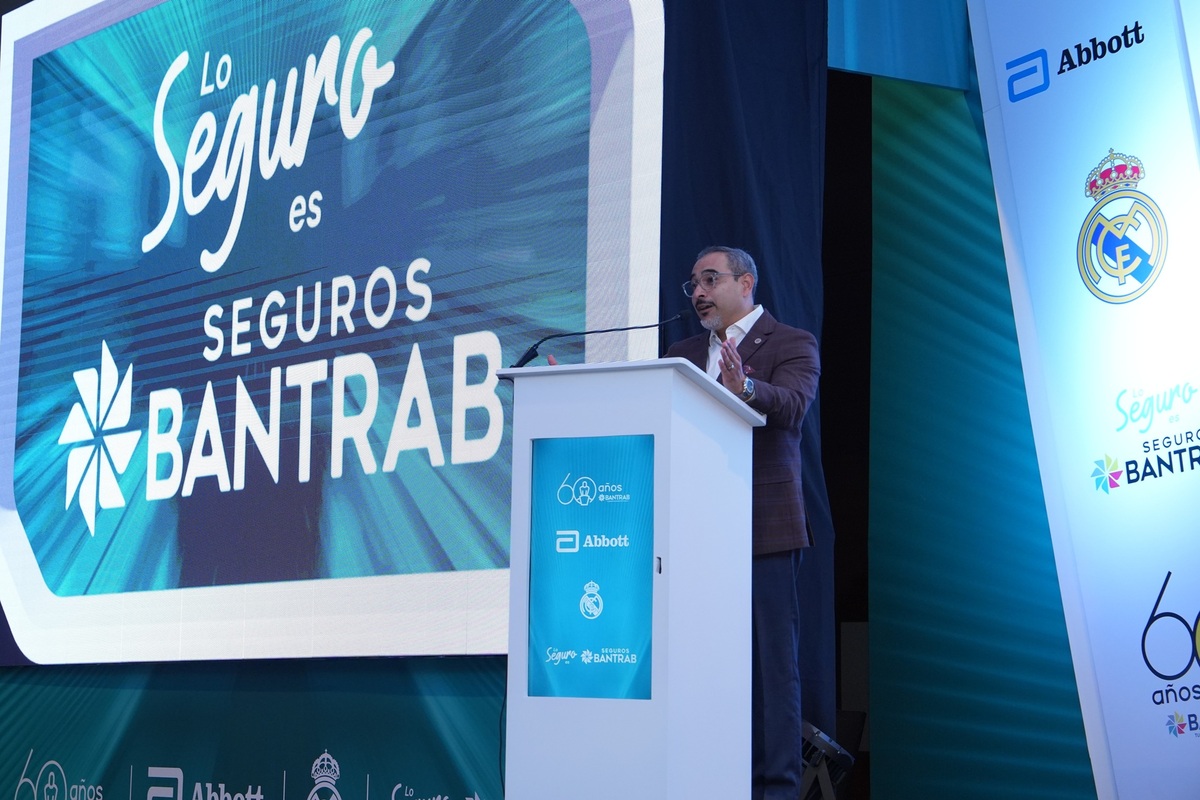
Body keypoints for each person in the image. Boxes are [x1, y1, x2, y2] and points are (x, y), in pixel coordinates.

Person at [665, 245, 820, 799]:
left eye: (710, 279)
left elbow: (793, 404)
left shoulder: (791, 342)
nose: (699, 293)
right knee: (696, 660)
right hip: (692, 531)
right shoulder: (682, 351)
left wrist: (746, 387)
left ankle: (776, 787)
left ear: (746, 282)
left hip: (763, 528)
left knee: (772, 667)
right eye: (694, 283)